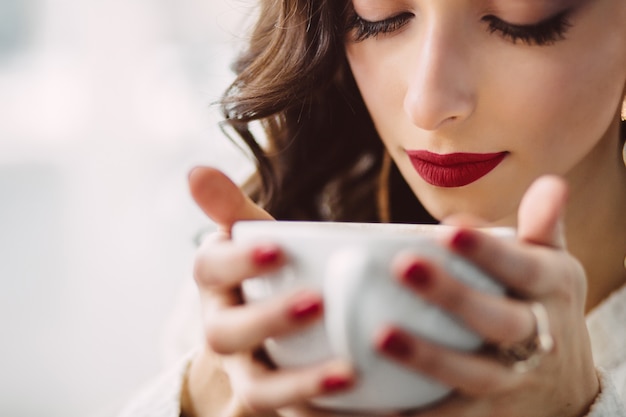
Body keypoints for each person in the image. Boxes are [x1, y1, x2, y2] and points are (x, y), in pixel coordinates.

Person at [118, 0, 626, 416]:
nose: (426, 104)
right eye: (379, 17)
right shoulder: (270, 287)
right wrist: (202, 395)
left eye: (520, 23)